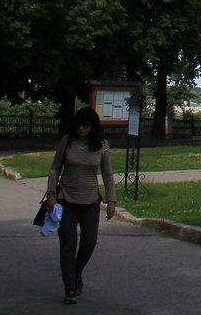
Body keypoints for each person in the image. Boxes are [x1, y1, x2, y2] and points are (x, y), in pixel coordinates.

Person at [45, 107, 117, 305]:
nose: (81, 129)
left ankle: (76, 271)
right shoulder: (67, 141)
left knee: (89, 241)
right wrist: (51, 194)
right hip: (66, 199)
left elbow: (108, 174)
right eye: (78, 125)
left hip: (90, 201)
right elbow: (54, 169)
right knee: (68, 244)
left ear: (93, 126)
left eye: (85, 125)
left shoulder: (101, 145)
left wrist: (111, 201)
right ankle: (69, 287)